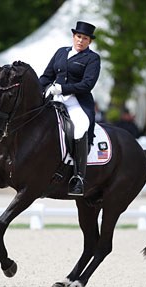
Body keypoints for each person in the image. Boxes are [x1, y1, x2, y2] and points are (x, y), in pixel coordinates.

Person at [39, 21, 101, 196]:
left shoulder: (92, 58)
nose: (81, 41)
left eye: (85, 38)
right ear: (74, 36)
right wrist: (40, 90)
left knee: (80, 129)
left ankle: (79, 178)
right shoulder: (61, 52)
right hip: (54, 98)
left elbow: (88, 84)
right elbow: (46, 76)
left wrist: (62, 88)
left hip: (76, 101)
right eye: (79, 37)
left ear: (90, 41)